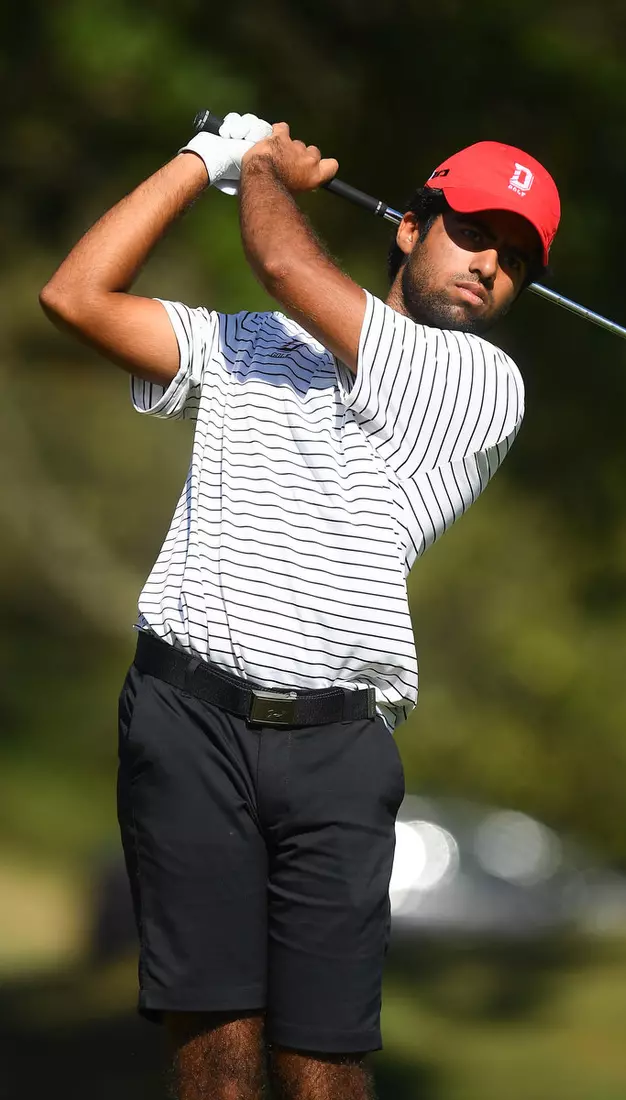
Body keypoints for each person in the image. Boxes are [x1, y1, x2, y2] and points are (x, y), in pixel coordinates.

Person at [39, 112, 561, 1100]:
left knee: (323, 1066)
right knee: (215, 1058)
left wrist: (262, 166)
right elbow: (75, 293)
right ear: (411, 225)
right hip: (184, 719)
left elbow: (281, 259)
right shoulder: (253, 346)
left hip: (333, 751)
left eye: (517, 258)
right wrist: (198, 163)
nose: (491, 265)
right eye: (476, 232)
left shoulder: (481, 386)